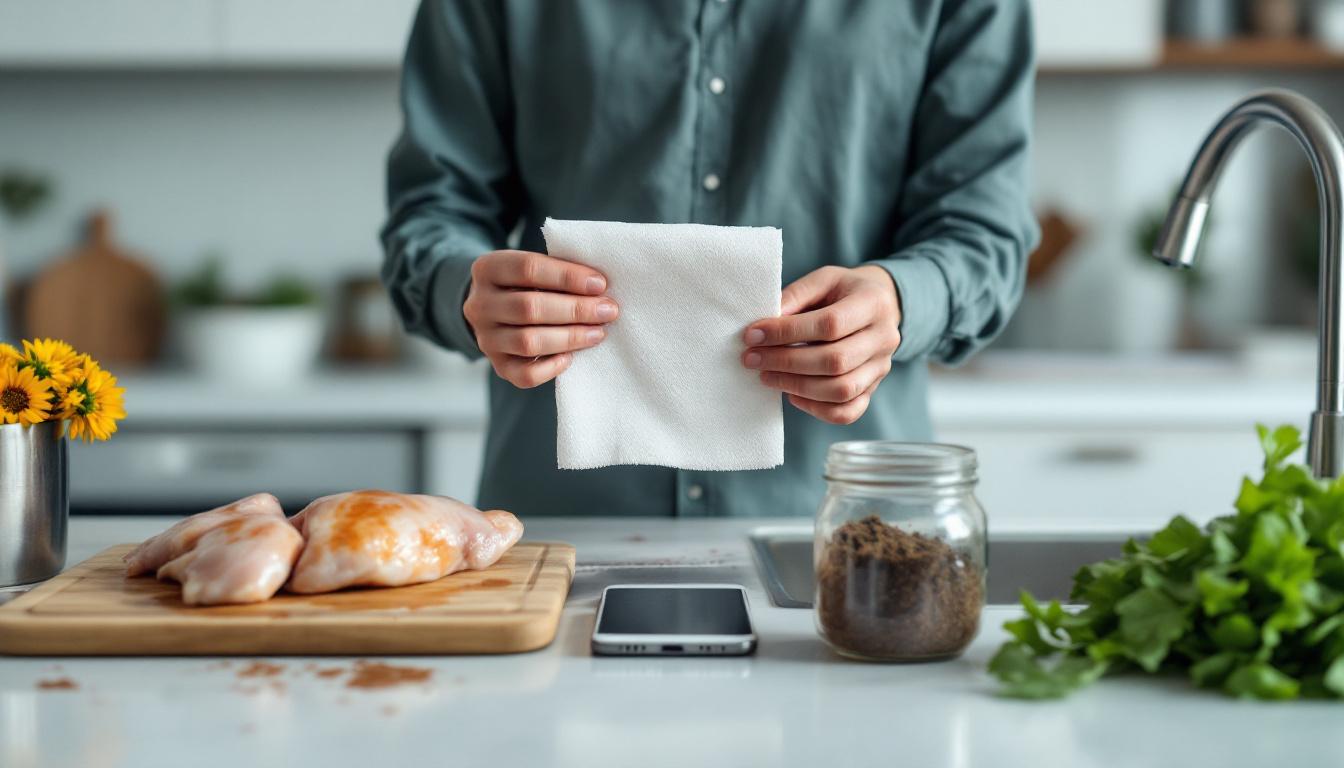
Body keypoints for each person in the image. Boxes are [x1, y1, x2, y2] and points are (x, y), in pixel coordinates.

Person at [382, 0, 1038, 518]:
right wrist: (469, 293)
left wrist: (900, 298)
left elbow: (984, 231)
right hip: (561, 527)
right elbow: (432, 213)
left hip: (845, 528)